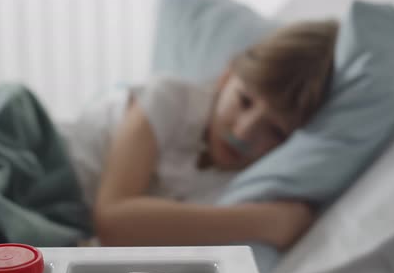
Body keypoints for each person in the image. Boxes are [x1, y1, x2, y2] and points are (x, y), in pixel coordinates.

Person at [59, 19, 339, 250]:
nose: (243, 132)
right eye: (244, 101)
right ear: (226, 76)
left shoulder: (244, 183)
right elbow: (112, 222)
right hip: (45, 158)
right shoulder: (170, 97)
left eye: (275, 131)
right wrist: (267, 221)